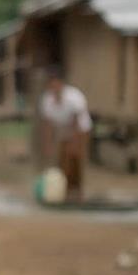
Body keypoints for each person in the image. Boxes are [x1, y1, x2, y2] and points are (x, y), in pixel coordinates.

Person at [38, 69, 92, 202]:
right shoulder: (47, 100)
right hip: (64, 131)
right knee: (63, 160)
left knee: (76, 158)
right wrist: (48, 144)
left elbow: (76, 121)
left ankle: (78, 191)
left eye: (57, 85)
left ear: (62, 85)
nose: (54, 88)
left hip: (80, 129)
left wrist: (75, 143)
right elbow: (48, 125)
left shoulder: (73, 97)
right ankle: (64, 191)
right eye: (52, 86)